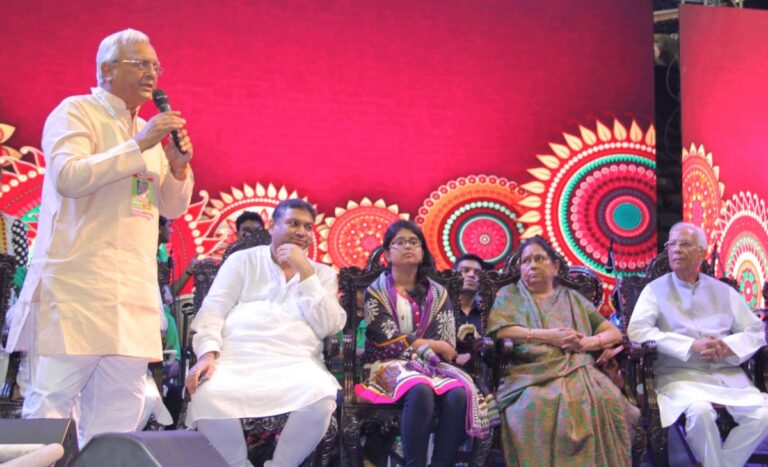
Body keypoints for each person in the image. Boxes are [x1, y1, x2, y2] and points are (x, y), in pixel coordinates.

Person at [4, 28, 193, 447]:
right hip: (77, 287)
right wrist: (140, 142)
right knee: (51, 406)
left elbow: (172, 207)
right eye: (140, 63)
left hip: (131, 292)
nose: (152, 74)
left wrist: (177, 169)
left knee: (120, 414)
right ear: (106, 69)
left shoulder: (149, 130)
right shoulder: (76, 112)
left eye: (156, 66)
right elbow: (69, 177)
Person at [185, 198, 345, 467]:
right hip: (236, 359)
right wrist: (207, 354)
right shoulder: (242, 261)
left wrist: (306, 272)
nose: (301, 232)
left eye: (308, 227)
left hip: (297, 362)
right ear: (272, 226)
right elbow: (212, 310)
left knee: (321, 393)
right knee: (207, 395)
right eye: (293, 223)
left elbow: (328, 326)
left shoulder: (322, 274)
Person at [628, 222, 768, 467]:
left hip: (726, 374)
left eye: (684, 244)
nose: (675, 250)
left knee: (764, 415)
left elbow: (756, 330)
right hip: (680, 376)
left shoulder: (724, 291)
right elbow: (637, 331)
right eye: (671, 244)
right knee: (700, 413)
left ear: (701, 253)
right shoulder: (654, 290)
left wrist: (728, 345)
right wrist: (689, 345)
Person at [487, 235, 635, 466]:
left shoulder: (572, 298)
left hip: (579, 370)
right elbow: (501, 332)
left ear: (555, 266)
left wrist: (587, 343)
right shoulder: (510, 296)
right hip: (530, 375)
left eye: (539, 259)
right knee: (534, 405)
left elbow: (613, 333)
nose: (532, 265)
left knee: (607, 399)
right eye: (526, 261)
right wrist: (548, 336)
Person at [355, 220, 491, 467]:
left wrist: (428, 348)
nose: (408, 246)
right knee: (419, 389)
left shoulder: (439, 293)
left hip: (433, 367)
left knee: (459, 394)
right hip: (383, 367)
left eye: (413, 242)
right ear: (387, 254)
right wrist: (429, 344)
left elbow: (448, 343)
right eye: (400, 242)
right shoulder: (376, 291)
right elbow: (385, 339)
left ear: (421, 252)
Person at [453, 253, 485, 357]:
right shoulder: (442, 308)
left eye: (477, 273)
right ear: (454, 275)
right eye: (465, 270)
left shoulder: (487, 311)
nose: (471, 275)